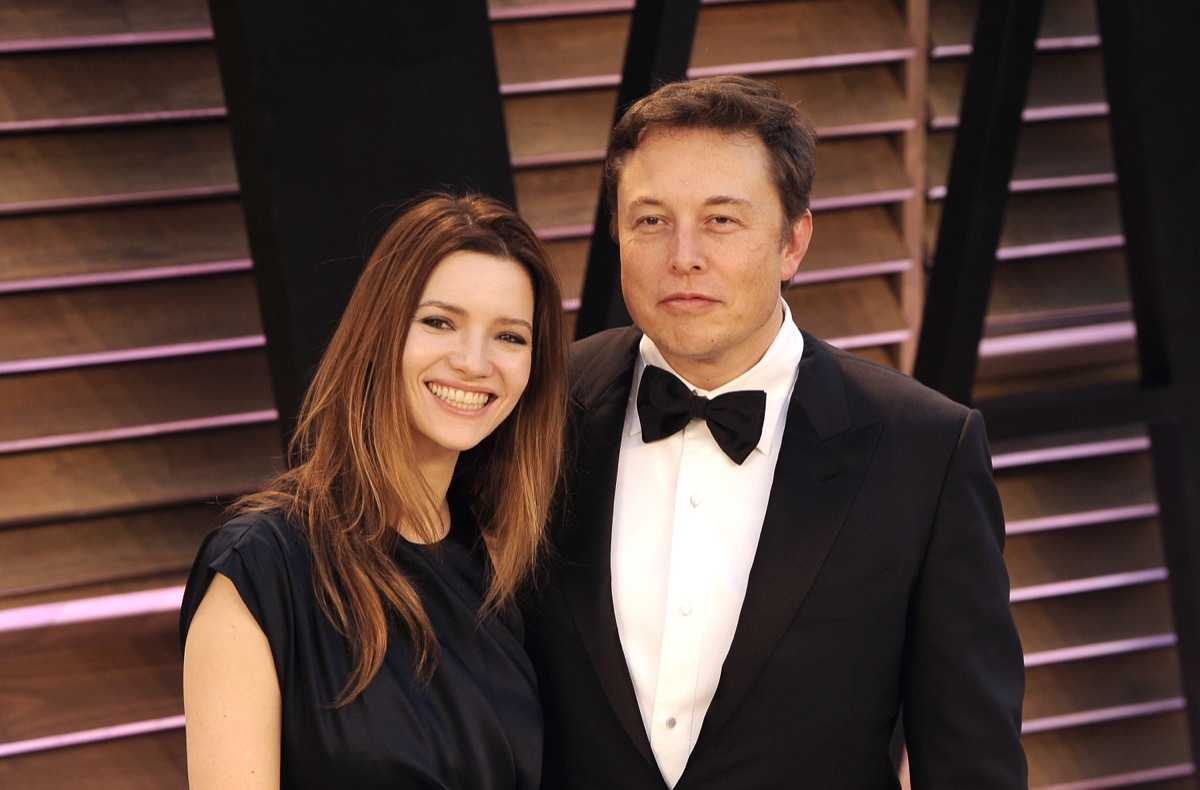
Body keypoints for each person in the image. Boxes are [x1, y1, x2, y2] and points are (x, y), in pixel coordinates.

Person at [523, 76, 1028, 788]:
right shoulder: (533, 407)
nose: (683, 255)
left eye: (722, 220)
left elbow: (972, 762)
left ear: (793, 242)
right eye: (650, 220)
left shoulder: (925, 450)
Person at [179, 193, 567, 789]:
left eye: (510, 337)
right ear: (382, 331)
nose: (473, 361)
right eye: (440, 322)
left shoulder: (502, 562)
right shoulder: (260, 567)